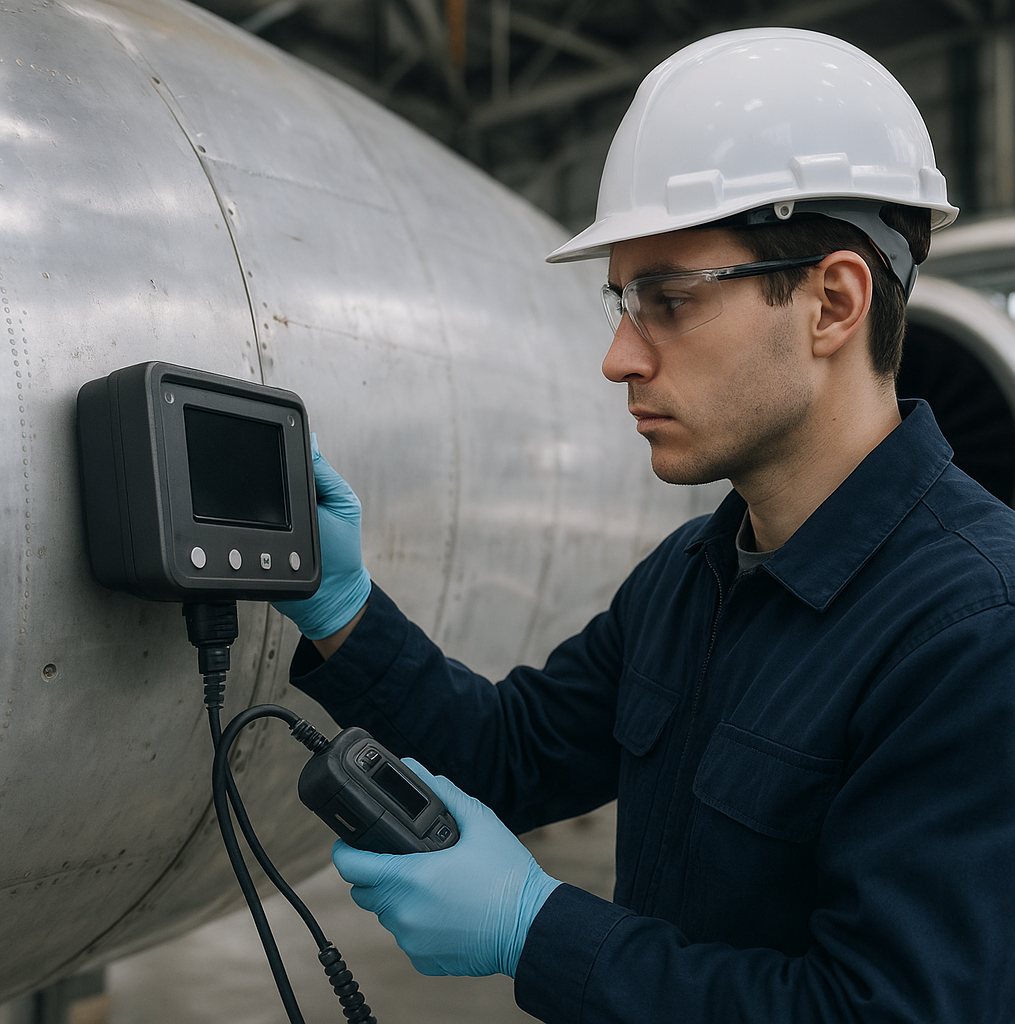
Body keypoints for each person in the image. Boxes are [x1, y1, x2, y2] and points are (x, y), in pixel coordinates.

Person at [274, 27, 1015, 1024]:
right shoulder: (694, 574)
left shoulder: (974, 633)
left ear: (833, 302)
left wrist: (538, 928)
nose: (619, 356)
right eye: (624, 301)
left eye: (667, 300)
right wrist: (344, 609)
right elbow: (508, 752)